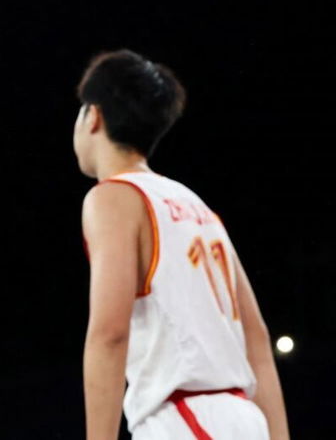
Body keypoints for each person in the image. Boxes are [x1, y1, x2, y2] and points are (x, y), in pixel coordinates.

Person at [73, 50, 290, 439]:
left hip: (183, 420)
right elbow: (256, 340)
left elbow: (109, 333)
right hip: (245, 417)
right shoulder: (196, 205)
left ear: (94, 115)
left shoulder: (112, 198)